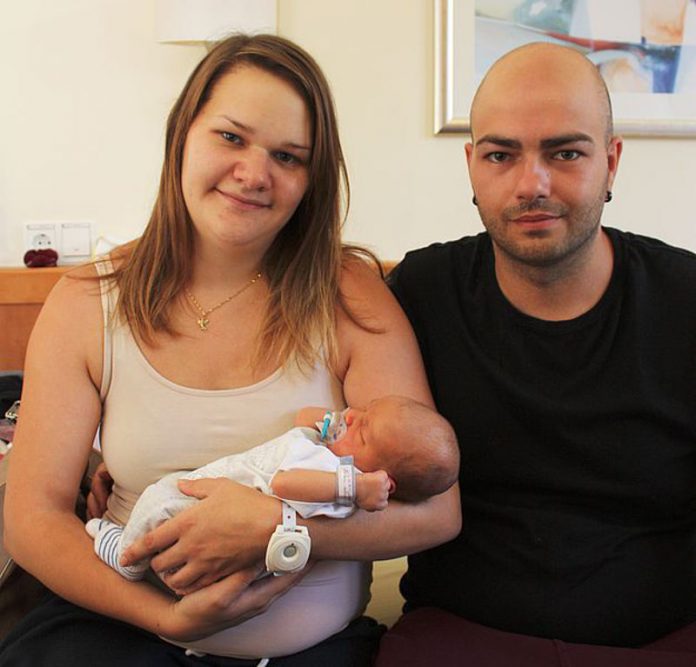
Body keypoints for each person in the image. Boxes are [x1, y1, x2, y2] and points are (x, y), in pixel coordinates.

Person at [0, 34, 461, 666]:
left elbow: (437, 512)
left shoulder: (349, 294)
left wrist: (285, 529)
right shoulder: (86, 301)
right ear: (183, 133)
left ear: (312, 178)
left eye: (289, 156)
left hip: (310, 650)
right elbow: (33, 515)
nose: (254, 173)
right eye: (231, 137)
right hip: (124, 634)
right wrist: (164, 613)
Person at [375, 41, 696, 666]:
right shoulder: (418, 295)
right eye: (501, 154)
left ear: (612, 161)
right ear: (471, 165)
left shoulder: (687, 301)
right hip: (458, 636)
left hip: (665, 640)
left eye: (565, 152)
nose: (532, 184)